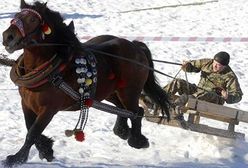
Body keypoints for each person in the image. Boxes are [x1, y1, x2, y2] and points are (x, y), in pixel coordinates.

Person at [164, 51, 243, 106]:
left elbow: (238, 95)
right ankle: (157, 99)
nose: (215, 66)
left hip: (214, 99)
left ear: (225, 66)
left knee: (206, 93)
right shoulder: (207, 62)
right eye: (214, 63)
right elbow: (192, 66)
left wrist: (227, 97)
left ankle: (175, 107)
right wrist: (187, 66)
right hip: (198, 91)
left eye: (218, 65)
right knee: (178, 82)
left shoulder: (230, 76)